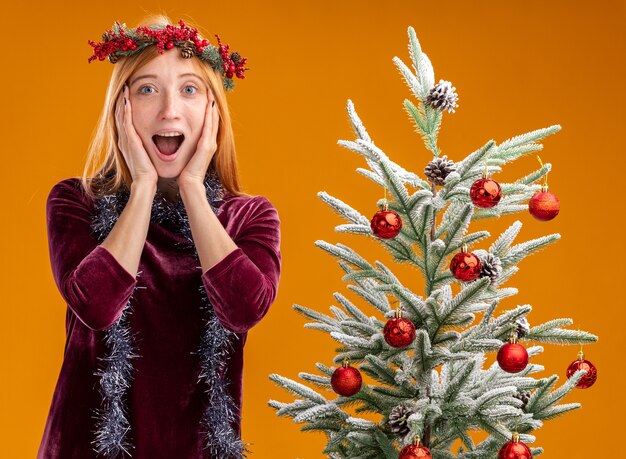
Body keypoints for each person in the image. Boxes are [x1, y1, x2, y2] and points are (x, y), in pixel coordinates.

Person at [38, 15, 281, 459]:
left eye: (189, 89)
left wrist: (191, 189)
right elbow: (95, 304)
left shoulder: (250, 216)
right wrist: (144, 186)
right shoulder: (75, 201)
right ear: (121, 106)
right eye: (147, 89)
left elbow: (245, 307)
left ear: (212, 109)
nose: (169, 109)